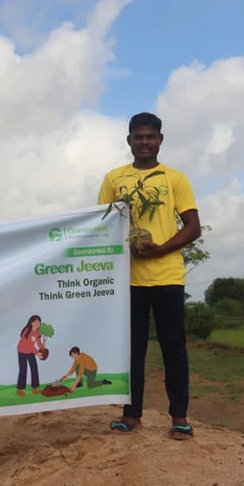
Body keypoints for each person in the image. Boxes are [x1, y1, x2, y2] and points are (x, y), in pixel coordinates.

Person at [98, 112, 201, 440]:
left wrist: (160, 249)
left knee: (174, 348)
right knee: (132, 350)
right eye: (138, 137)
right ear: (129, 141)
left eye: (150, 136)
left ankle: (179, 417)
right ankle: (131, 416)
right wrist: (123, 246)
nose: (144, 142)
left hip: (168, 276)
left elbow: (193, 227)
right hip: (128, 281)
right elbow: (103, 224)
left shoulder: (174, 179)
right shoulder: (114, 178)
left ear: (160, 140)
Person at [15, 314, 45, 396]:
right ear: (31, 322)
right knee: (23, 369)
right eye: (36, 321)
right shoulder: (27, 330)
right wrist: (37, 353)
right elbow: (29, 345)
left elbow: (38, 342)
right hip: (22, 351)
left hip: (30, 351)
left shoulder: (37, 332)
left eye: (39, 321)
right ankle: (20, 389)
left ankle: (35, 388)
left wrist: (43, 349)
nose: (38, 323)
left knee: (34, 368)